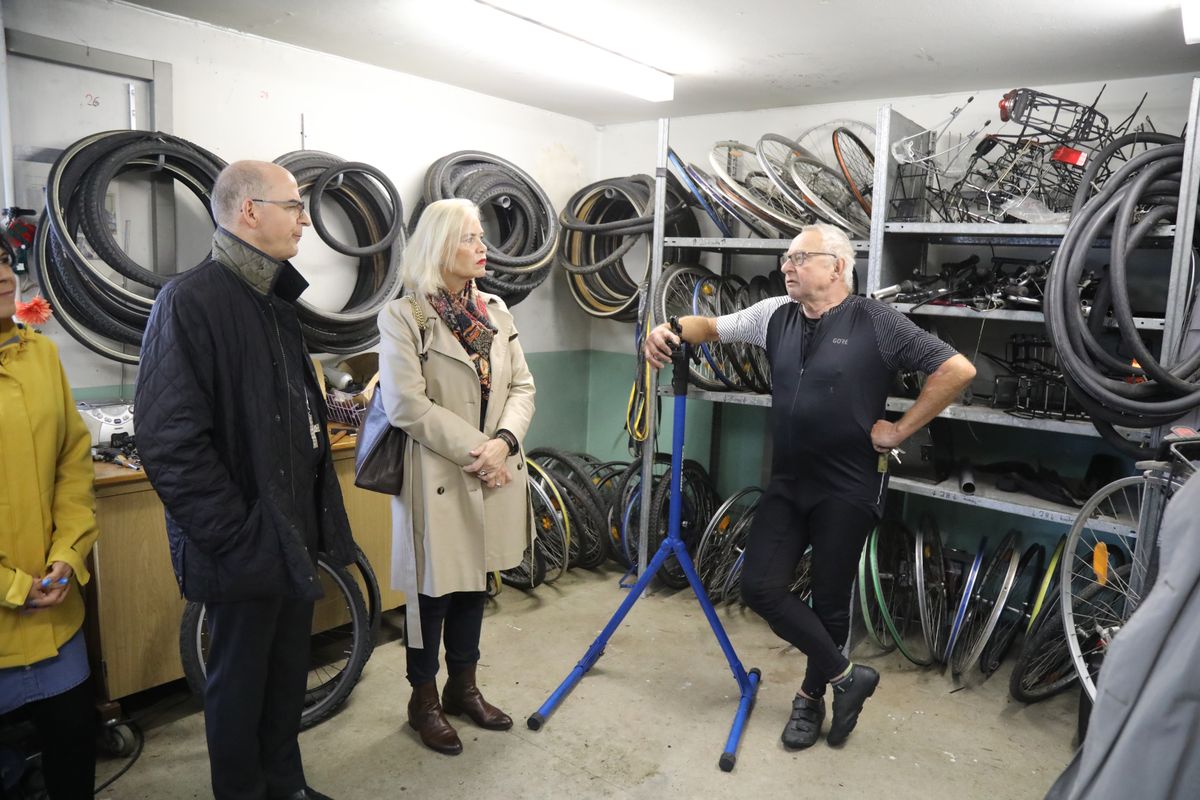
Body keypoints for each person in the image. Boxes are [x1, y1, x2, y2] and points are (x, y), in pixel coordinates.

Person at [644, 222, 976, 750]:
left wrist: (900, 430)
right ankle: (848, 678)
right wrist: (670, 329)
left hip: (848, 486)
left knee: (830, 601)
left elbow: (957, 369)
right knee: (760, 587)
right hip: (789, 481)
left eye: (799, 258)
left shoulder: (877, 321)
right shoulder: (775, 314)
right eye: (787, 258)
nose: (786, 267)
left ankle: (810, 696)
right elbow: (712, 326)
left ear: (837, 266)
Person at [136, 160, 357, 800]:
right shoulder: (191, 301)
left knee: (286, 674)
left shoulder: (274, 302)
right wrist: (238, 535)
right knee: (238, 685)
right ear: (249, 211)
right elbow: (170, 443)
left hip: (288, 533)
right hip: (244, 542)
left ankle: (286, 786)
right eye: (294, 206)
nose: (305, 220)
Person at [376, 198, 535, 756]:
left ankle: (463, 687)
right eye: (470, 238)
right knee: (431, 593)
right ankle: (423, 700)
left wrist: (504, 443)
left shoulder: (495, 312)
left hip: (493, 467)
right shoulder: (405, 316)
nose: (482, 247)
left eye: (481, 236)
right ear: (440, 245)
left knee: (474, 584)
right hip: (438, 474)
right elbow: (406, 404)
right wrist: (480, 450)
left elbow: (523, 387)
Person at [0, 233, 100, 799]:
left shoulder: (40, 356)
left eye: (2, 260)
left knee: (72, 752)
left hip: (54, 612)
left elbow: (72, 461)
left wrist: (68, 552)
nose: (2, 274)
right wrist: (11, 586)